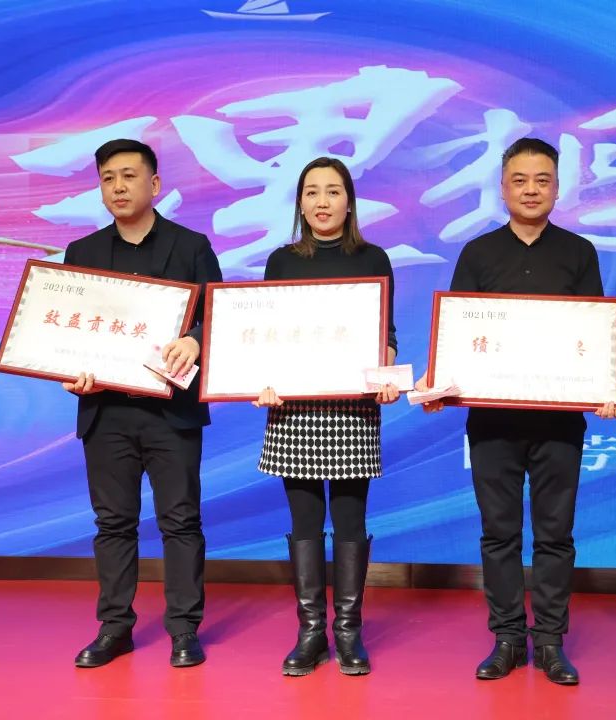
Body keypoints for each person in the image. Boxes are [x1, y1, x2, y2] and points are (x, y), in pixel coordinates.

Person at [418, 138, 616, 686]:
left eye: (542, 180)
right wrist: (440, 384)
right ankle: (507, 638)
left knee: (556, 534)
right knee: (498, 533)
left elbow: (592, 335)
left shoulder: (578, 252)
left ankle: (551, 641)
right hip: (492, 425)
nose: (531, 190)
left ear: (557, 187)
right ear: (503, 187)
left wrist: (603, 388)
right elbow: (458, 338)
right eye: (520, 180)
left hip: (560, 424)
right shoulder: (478, 253)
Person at [63, 139, 222, 669]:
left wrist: (195, 339)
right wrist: (70, 369)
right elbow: (68, 334)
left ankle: (184, 629)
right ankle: (115, 627)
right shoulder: (82, 252)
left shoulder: (190, 246)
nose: (118, 186)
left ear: (154, 184)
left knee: (180, 521)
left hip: (171, 411)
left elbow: (219, 316)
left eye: (129, 176)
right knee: (113, 523)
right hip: (106, 410)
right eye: (108, 178)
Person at [253, 157, 399, 677]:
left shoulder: (373, 258)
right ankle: (311, 633)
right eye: (311, 191)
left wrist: (385, 372)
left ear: (349, 202)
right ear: (299, 202)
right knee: (304, 521)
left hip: (352, 407)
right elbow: (266, 334)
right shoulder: (282, 261)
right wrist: (261, 380)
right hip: (294, 409)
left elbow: (386, 334)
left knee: (351, 521)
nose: (322, 201)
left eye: (333, 191)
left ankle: (349, 632)